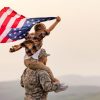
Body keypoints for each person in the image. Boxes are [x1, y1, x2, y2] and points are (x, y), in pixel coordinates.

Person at [9, 16, 61, 82]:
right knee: (47, 70)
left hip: (27, 60)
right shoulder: (39, 36)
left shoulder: (30, 36)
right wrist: (57, 21)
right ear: (40, 30)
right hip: (31, 61)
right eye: (43, 29)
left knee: (42, 52)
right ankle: (56, 84)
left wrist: (16, 48)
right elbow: (49, 30)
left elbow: (24, 43)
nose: (44, 30)